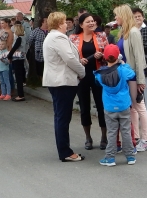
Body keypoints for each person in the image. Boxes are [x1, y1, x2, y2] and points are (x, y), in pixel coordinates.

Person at [42, 12, 86, 162]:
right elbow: (70, 59)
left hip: (57, 81)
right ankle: (65, 152)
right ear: (59, 23)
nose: (66, 24)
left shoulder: (53, 37)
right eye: (64, 21)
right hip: (62, 81)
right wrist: (82, 71)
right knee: (63, 117)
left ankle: (64, 149)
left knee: (60, 116)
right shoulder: (58, 38)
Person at [69, 13, 108, 149]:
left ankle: (104, 137)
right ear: (81, 25)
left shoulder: (101, 36)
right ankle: (88, 137)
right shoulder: (73, 38)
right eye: (88, 21)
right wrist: (79, 60)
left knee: (102, 106)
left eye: (92, 21)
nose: (92, 23)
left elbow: (109, 54)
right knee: (84, 107)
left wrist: (102, 56)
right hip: (82, 77)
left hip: (98, 75)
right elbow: (69, 57)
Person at [114, 5, 147, 151]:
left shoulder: (134, 32)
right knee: (132, 108)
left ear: (123, 15)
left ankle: (146, 139)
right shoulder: (124, 31)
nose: (115, 18)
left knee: (139, 106)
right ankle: (135, 137)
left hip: (133, 75)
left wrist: (140, 80)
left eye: (117, 15)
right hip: (126, 75)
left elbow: (139, 57)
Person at [94, 44, 137, 167]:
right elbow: (132, 74)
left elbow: (97, 83)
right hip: (124, 104)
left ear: (105, 57)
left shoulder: (100, 73)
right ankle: (130, 156)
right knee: (126, 131)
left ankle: (110, 158)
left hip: (109, 106)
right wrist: (122, 64)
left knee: (112, 132)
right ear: (118, 56)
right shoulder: (123, 70)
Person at [7, 23, 29, 102]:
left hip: (17, 58)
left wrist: (9, 56)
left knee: (18, 77)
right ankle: (20, 94)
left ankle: (20, 95)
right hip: (21, 58)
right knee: (20, 76)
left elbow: (14, 48)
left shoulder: (19, 38)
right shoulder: (24, 37)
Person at [0, 31, 12, 100]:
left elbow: (8, 62)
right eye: (0, 44)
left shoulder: (6, 52)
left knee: (6, 81)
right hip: (0, 69)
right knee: (2, 82)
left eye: (2, 44)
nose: (1, 45)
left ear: (5, 45)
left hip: (5, 69)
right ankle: (3, 93)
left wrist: (4, 60)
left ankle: (8, 94)